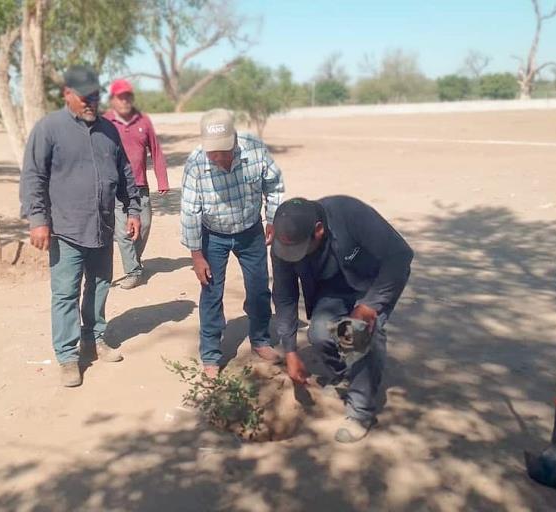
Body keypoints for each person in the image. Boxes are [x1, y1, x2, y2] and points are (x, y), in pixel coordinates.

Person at [20, 65, 142, 388]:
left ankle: (94, 337)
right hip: (66, 229)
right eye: (84, 97)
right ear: (67, 95)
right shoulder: (49, 129)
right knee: (65, 293)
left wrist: (133, 209)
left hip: (101, 225)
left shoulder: (108, 130)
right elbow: (33, 177)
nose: (91, 102)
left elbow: (124, 172)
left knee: (100, 285)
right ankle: (67, 356)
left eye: (95, 96)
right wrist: (37, 220)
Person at [270, 196, 413, 443]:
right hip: (333, 289)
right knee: (319, 334)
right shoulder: (284, 243)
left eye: (300, 250)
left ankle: (360, 413)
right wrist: (290, 351)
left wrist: (370, 305)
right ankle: (346, 374)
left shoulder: (350, 214)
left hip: (373, 284)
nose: (293, 257)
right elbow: (285, 296)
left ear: (319, 230)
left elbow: (400, 256)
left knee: (357, 334)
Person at [180, 109, 285, 378]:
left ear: (235, 139)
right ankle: (211, 355)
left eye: (222, 151)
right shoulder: (195, 164)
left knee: (259, 287)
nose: (216, 157)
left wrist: (272, 218)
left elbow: (274, 185)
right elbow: (190, 211)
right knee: (211, 292)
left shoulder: (255, 151)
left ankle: (261, 340)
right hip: (212, 235)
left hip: (250, 232)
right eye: (211, 152)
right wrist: (196, 256)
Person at [103, 79, 169, 290]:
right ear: (113, 100)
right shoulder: (105, 122)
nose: (125, 101)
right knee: (124, 231)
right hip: (117, 188)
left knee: (145, 225)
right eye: (120, 97)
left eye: (128, 96)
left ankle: (134, 260)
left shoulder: (144, 121)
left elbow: (156, 151)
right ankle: (133, 271)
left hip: (140, 185)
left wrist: (163, 180)